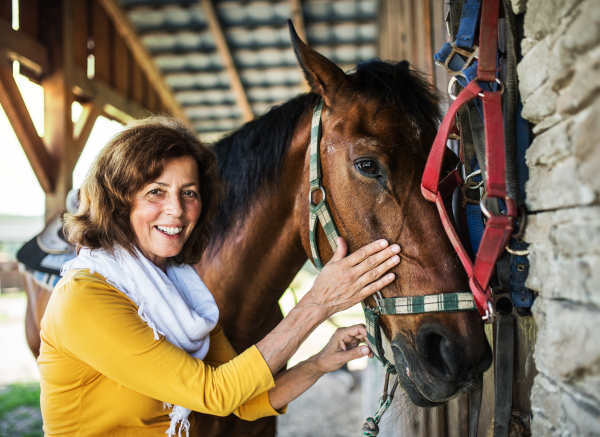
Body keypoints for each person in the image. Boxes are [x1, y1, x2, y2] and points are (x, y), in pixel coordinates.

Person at [38, 117, 401, 436]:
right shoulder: (84, 298)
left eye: (189, 193)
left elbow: (242, 402)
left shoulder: (182, 288)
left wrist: (319, 363)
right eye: (155, 192)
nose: (177, 210)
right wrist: (318, 303)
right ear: (118, 201)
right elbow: (214, 393)